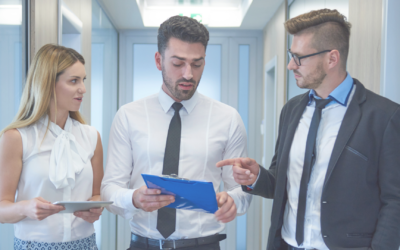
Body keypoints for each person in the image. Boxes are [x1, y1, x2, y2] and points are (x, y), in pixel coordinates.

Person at [217, 9, 400, 250]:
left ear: (332, 59)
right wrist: (258, 176)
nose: (290, 65)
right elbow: (281, 182)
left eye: (299, 57)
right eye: (291, 55)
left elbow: (395, 201)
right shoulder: (292, 110)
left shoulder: (384, 117)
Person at [101, 15, 252, 250]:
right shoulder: (128, 116)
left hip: (204, 244)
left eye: (197, 63)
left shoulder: (228, 118)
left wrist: (233, 200)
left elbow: (241, 190)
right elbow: (109, 189)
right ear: (159, 60)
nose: (188, 74)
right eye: (178, 63)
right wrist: (134, 199)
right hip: (143, 244)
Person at [0, 44, 104, 250]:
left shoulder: (91, 137)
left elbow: (97, 194)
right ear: (48, 84)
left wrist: (96, 206)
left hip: (86, 244)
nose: (83, 89)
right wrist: (25, 208)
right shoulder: (16, 138)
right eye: (74, 81)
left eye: (83, 80)